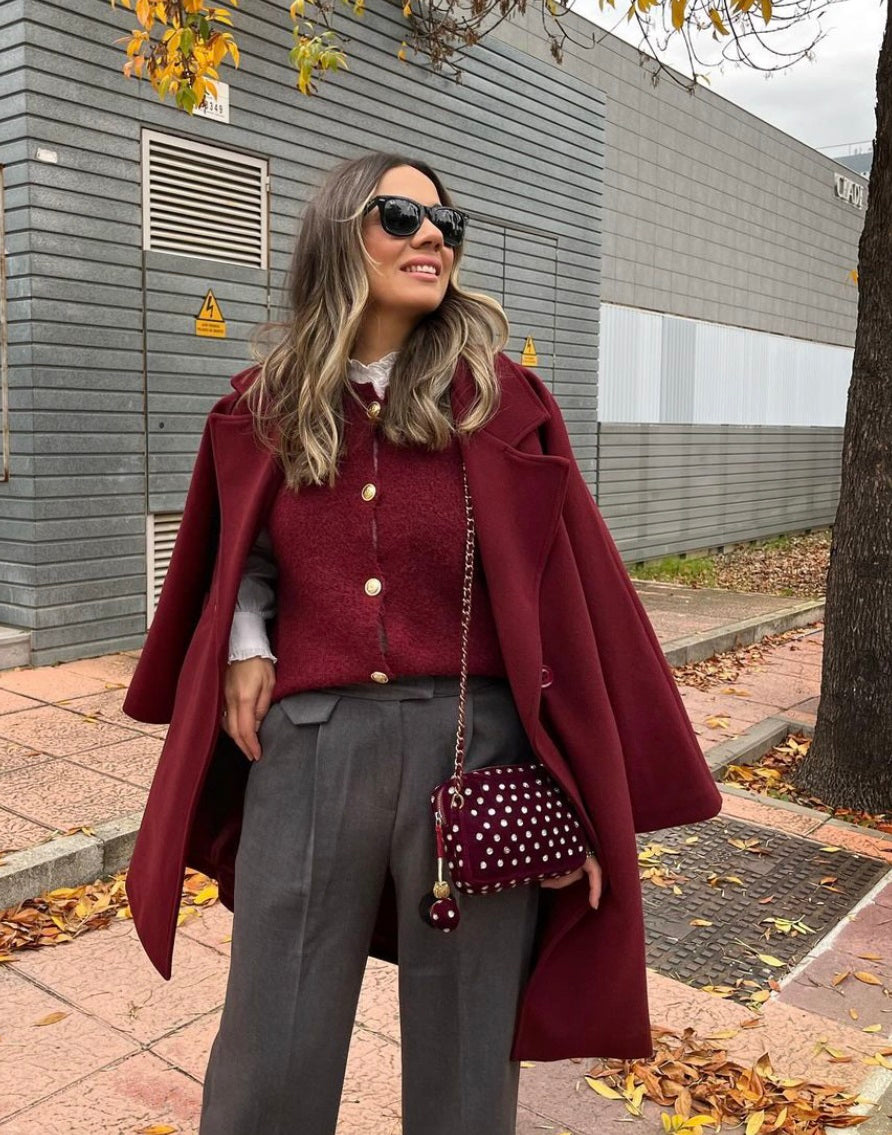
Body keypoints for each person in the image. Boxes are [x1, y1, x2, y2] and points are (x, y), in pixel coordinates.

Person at [121, 150, 723, 1135]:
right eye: (399, 216)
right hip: (306, 748)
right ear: (335, 233)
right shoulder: (262, 406)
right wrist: (241, 637)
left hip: (473, 756)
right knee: (270, 1046)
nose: (432, 235)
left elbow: (565, 609)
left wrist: (571, 800)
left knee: (464, 1059)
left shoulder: (501, 402)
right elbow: (240, 550)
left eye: (446, 222)